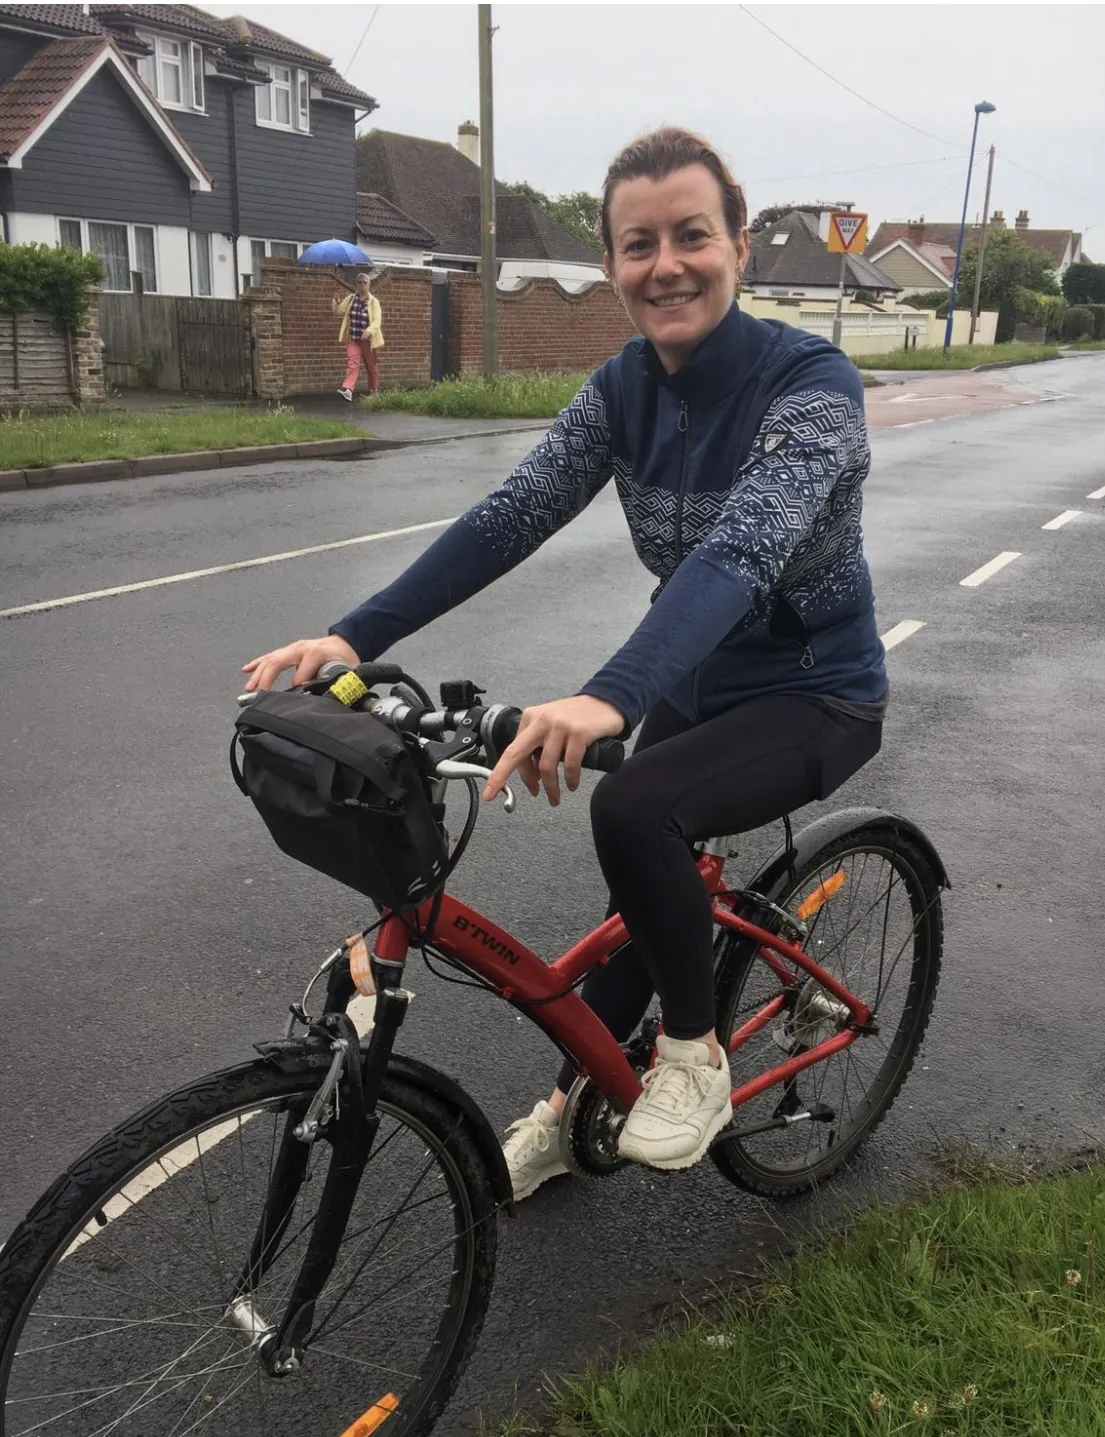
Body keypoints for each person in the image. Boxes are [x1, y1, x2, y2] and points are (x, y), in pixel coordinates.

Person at [243, 127, 888, 1202]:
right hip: (696, 687)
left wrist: (606, 696)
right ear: (612, 267)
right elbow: (511, 517)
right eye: (639, 244)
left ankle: (694, 1058)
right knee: (647, 885)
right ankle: (570, 1104)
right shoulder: (625, 386)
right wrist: (358, 635)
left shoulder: (811, 385)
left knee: (634, 812)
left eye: (692, 235)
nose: (666, 263)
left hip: (816, 691)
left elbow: (743, 550)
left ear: (738, 243)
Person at [332, 271, 382, 401]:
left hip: (368, 340)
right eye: (359, 283)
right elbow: (338, 311)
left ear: (369, 284)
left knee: (370, 365)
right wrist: (336, 302)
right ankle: (348, 389)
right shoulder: (351, 299)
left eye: (365, 283)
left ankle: (374, 390)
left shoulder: (373, 302)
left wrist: (369, 331)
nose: (362, 285)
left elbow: (377, 320)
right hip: (353, 338)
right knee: (352, 363)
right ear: (356, 284)